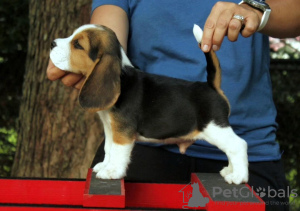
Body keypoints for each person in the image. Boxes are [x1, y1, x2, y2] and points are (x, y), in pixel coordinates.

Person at [47, 1, 300, 210]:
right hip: (148, 157)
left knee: (223, 138)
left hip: (253, 146)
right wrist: (103, 73)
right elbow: (107, 31)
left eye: (75, 44)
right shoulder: (114, 77)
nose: (61, 43)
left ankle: (238, 162)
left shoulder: (203, 98)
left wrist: (258, 10)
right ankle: (113, 162)